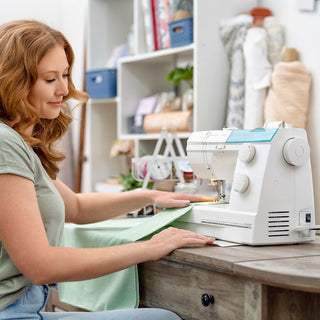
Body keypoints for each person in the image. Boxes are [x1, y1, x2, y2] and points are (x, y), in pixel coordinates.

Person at [0, 20, 215, 319]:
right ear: (14, 81)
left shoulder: (17, 143)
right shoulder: (4, 144)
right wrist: (148, 247)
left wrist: (148, 195)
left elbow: (75, 206)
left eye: (65, 75)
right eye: (50, 79)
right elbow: (41, 266)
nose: (64, 89)